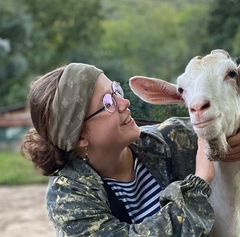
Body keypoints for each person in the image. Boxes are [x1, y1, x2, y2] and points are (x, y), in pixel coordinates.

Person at [20, 63, 239, 237]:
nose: (124, 102)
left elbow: (222, 117)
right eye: (107, 102)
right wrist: (198, 184)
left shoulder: (169, 139)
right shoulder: (68, 197)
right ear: (79, 136)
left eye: (116, 90)